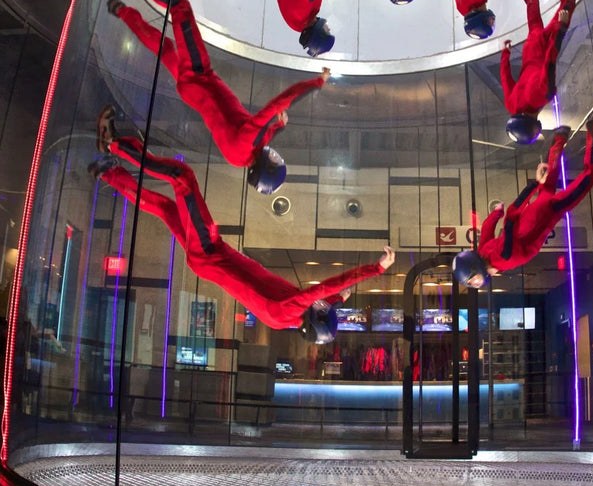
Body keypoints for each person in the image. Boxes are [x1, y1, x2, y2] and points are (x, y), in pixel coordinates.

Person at [90, 111, 395, 339]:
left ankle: (113, 144)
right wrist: (338, 299)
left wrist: (376, 269)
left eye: (323, 311)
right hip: (208, 259)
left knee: (182, 177)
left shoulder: (292, 307)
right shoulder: (288, 318)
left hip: (210, 251)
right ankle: (108, 173)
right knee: (167, 207)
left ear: (315, 317)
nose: (324, 305)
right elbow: (325, 298)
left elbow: (327, 288)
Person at [107, 0, 328, 193]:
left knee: (181, 8)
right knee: (164, 48)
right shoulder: (242, 156)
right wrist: (279, 126)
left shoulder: (249, 140)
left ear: (266, 166)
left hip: (198, 76)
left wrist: (316, 83)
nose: (277, 155)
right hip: (192, 91)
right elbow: (263, 135)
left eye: (276, 161)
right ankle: (120, 10)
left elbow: (278, 103)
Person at [453, 119, 593, 286]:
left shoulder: (504, 258)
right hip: (533, 213)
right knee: (548, 184)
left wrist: (533, 185)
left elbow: (510, 221)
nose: (477, 282)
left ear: (476, 267)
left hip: (545, 215)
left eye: (474, 279)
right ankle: (559, 138)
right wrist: (497, 212)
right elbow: (490, 227)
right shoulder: (484, 252)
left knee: (590, 175)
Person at [501, 0, 586, 145]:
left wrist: (562, 28)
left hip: (544, 46)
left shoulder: (542, 96)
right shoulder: (512, 106)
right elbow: (505, 78)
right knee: (534, 22)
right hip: (530, 49)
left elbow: (550, 60)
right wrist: (505, 54)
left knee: (568, 3)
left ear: (535, 125)